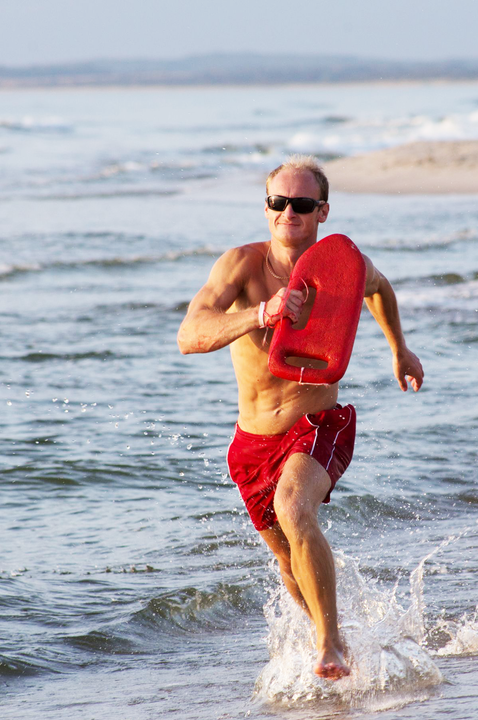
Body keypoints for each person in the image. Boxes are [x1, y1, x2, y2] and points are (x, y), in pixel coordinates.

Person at [177, 155, 424, 680]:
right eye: (278, 202)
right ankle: (336, 648)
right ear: (266, 209)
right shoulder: (240, 266)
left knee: (294, 506)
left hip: (317, 425)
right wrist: (260, 314)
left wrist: (399, 349)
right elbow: (189, 335)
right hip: (252, 442)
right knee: (287, 563)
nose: (289, 211)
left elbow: (378, 289)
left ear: (322, 211)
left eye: (302, 203)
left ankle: (331, 645)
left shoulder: (340, 266)